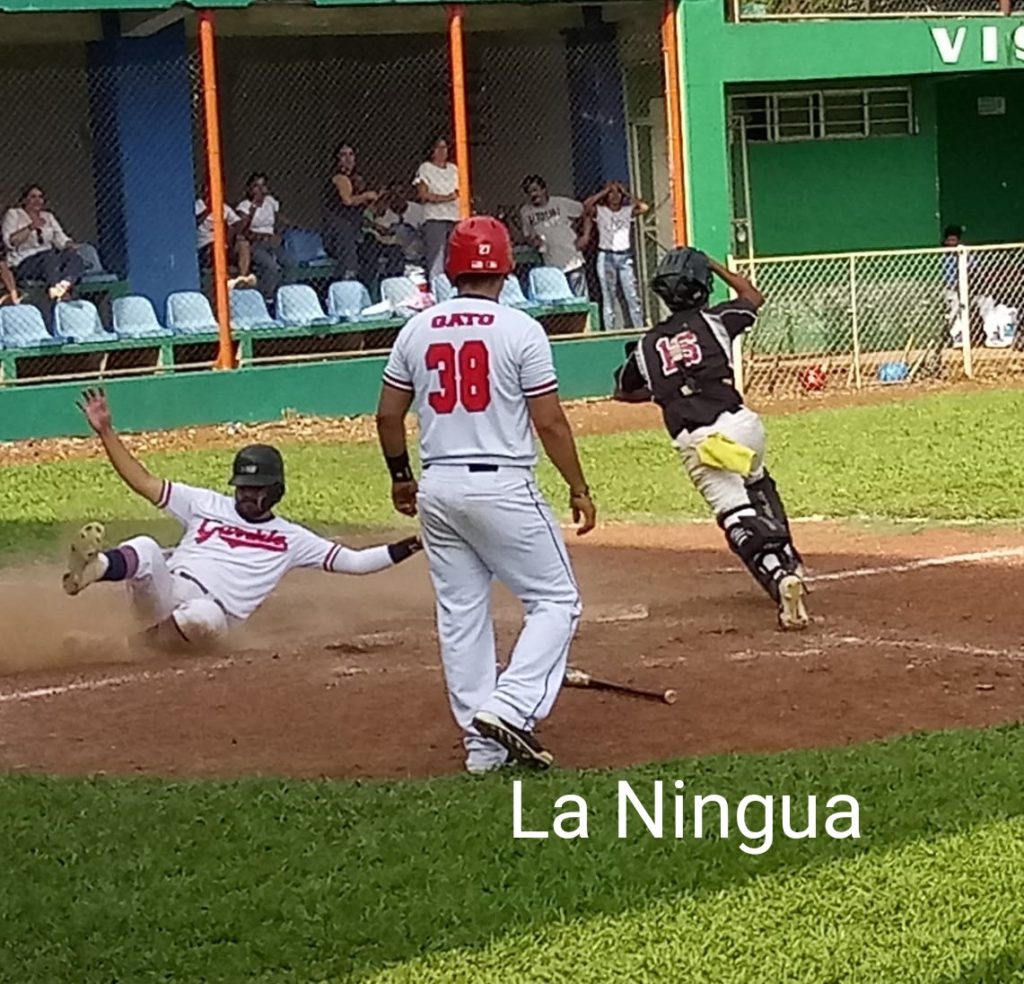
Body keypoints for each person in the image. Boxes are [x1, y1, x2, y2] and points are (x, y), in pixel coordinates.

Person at [375, 216, 596, 773]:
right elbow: (549, 423)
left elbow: (387, 416)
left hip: (439, 485)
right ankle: (511, 705)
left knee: (461, 614)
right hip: (502, 484)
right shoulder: (521, 330)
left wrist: (402, 476)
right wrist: (578, 485)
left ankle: (482, 748)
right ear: (505, 267)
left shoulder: (417, 329)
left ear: (451, 269)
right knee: (556, 600)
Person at [63, 388, 423, 657]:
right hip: (165, 592)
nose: (245, 495)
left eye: (255, 489)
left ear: (276, 491)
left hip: (211, 615)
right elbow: (143, 481)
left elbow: (357, 562)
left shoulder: (291, 538)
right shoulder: (205, 504)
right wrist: (106, 431)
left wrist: (416, 542)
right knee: (146, 547)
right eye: (242, 487)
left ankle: (121, 648)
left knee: (204, 616)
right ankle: (95, 568)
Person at [611, 247, 809, 631]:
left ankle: (778, 574)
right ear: (702, 286)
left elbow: (622, 391)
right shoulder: (717, 319)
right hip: (743, 425)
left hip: (700, 439)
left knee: (735, 516)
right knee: (756, 481)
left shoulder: (647, 346)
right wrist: (716, 265)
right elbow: (753, 296)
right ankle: (788, 555)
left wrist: (661, 393)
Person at [583, 181, 649, 330]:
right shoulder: (600, 211)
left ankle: (639, 329)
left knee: (632, 295)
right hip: (606, 256)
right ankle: (610, 331)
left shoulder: (627, 211)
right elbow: (586, 206)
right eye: (611, 193)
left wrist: (626, 192)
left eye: (617, 193)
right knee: (608, 298)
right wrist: (603, 191)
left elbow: (644, 207)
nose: (614, 196)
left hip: (624, 257)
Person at [1, 184, 84, 300]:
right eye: (33, 197)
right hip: (24, 262)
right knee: (49, 256)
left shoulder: (48, 216)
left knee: (74, 257)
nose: (37, 200)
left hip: (49, 261)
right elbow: (10, 241)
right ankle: (54, 287)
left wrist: (69, 244)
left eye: (40, 197)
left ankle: (64, 285)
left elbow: (60, 238)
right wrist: (30, 228)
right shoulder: (14, 214)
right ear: (24, 200)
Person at [519, 174, 588, 298]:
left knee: (580, 299)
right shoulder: (526, 212)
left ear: (544, 189)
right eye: (529, 192)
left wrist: (585, 235)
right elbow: (528, 236)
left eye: (535, 190)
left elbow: (587, 211)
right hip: (551, 266)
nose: (533, 195)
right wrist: (534, 241)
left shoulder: (560, 203)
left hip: (572, 260)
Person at [322, 143, 379, 281]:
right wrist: (366, 196)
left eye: (351, 154)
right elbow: (347, 200)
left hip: (356, 232)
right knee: (347, 239)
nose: (348, 159)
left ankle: (368, 285)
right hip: (338, 235)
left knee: (370, 245)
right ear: (337, 159)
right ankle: (348, 280)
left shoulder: (357, 180)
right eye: (343, 155)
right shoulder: (339, 178)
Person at [236, 173, 290, 304]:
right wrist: (253, 208)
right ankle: (268, 298)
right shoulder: (244, 206)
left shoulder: (270, 202)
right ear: (249, 188)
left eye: (263, 186)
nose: (260, 190)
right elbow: (242, 229)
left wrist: (278, 234)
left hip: (272, 240)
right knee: (270, 266)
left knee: (290, 262)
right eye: (256, 186)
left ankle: (286, 293)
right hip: (255, 243)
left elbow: (279, 220)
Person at [414, 137, 460, 282]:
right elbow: (423, 195)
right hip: (435, 218)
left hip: (454, 217)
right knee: (437, 259)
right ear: (431, 151)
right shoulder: (425, 168)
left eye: (444, 147)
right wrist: (447, 198)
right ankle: (437, 289)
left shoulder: (454, 169)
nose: (442, 151)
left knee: (454, 256)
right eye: (438, 148)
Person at [195, 196, 256, 291]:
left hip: (224, 244)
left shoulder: (224, 207)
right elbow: (195, 222)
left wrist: (230, 228)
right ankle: (223, 277)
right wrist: (209, 209)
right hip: (205, 245)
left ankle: (242, 279)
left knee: (243, 244)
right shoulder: (199, 204)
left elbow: (237, 223)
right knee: (215, 246)